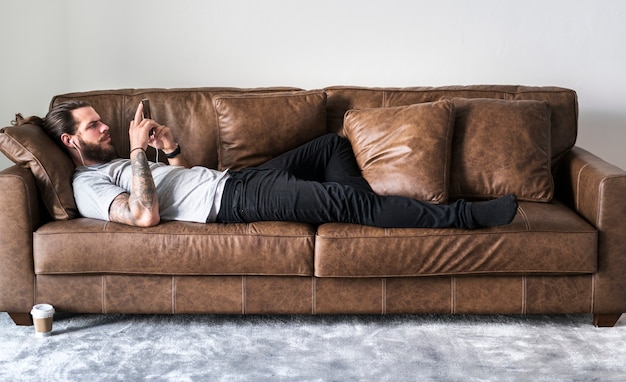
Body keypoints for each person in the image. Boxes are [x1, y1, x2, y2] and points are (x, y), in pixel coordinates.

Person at [32, 100, 518, 229]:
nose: (107, 129)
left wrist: (172, 149)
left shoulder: (115, 159)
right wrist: (138, 152)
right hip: (233, 204)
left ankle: (365, 210)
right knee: (343, 200)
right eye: (95, 127)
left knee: (330, 145)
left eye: (102, 123)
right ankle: (463, 216)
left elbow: (189, 178)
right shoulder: (86, 185)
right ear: (71, 141)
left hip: (234, 181)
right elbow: (144, 216)